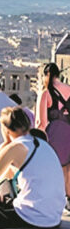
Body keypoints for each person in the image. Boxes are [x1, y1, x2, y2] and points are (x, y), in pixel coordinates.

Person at [0, 107, 66, 229]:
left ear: (5, 129)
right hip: (52, 217)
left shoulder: (15, 148)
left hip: (32, 218)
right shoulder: (41, 144)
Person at [36, 62, 70, 200]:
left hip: (55, 135)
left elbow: (41, 123)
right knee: (67, 170)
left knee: (53, 169)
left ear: (44, 75)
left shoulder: (45, 92)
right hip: (68, 133)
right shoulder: (69, 89)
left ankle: (55, 198)